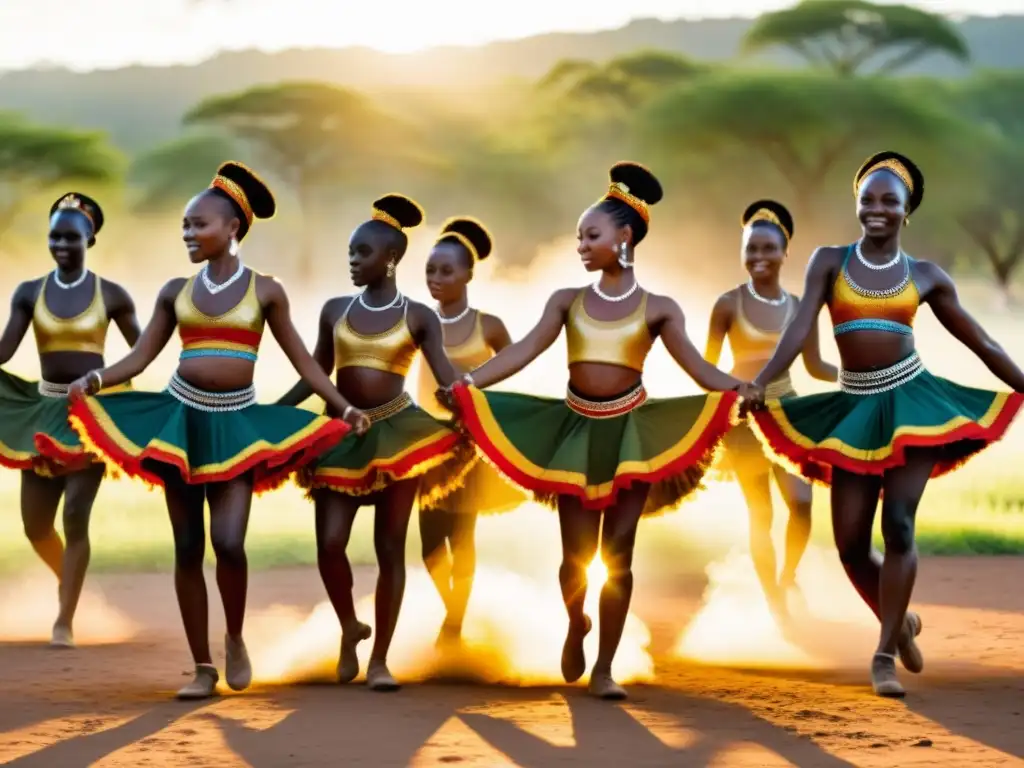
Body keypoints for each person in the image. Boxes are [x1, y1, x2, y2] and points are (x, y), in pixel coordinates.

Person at [443, 162, 758, 700]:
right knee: (574, 556)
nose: (582, 246)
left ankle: (605, 667)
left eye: (591, 236)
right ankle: (575, 624)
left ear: (624, 237)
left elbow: (698, 371)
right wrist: (469, 380)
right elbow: (522, 351)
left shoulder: (659, 309)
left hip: (632, 439)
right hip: (575, 434)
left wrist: (738, 389)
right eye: (578, 238)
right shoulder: (567, 301)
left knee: (619, 552)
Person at [66, 162, 370, 700]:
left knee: (228, 543)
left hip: (236, 426)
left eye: (198, 224)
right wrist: (95, 377)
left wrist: (342, 407)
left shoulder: (266, 291)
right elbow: (140, 356)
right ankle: (202, 667)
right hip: (180, 423)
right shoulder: (175, 291)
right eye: (184, 226)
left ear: (232, 228)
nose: (188, 234)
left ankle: (233, 637)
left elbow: (305, 362)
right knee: (188, 546)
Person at [746, 151, 1024, 697]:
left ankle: (883, 655)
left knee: (898, 524)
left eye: (888, 201)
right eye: (867, 199)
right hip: (853, 410)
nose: (876, 209)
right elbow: (798, 329)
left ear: (906, 210)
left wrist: (1023, 380)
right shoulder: (829, 261)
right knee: (850, 542)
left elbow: (981, 339)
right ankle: (903, 622)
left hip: (912, 406)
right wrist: (762, 381)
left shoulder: (926, 276)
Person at [278, 194, 471, 692]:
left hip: (398, 436)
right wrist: (273, 413)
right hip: (341, 435)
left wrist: (474, 410)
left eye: (361, 253)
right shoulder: (334, 309)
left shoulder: (420, 316)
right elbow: (316, 372)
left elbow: (446, 379)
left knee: (390, 548)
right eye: (349, 252)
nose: (351, 261)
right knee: (330, 544)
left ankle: (380, 660)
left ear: (389, 259)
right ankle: (349, 628)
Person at [0, 193, 140, 648]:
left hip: (89, 417)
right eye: (54, 235)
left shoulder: (112, 294)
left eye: (71, 236)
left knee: (76, 513)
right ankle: (71, 581)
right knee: (35, 526)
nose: (61, 243)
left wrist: (104, 382)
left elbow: (142, 352)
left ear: (90, 238)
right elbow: (4, 352)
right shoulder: (28, 292)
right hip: (42, 413)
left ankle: (64, 619)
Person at [704, 200, 837, 619]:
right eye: (750, 249)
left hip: (789, 417)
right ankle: (774, 603)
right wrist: (730, 396)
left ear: (784, 254)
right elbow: (707, 366)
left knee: (800, 503)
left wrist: (861, 373)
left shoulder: (800, 307)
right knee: (759, 512)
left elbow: (815, 366)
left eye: (766, 249)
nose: (758, 257)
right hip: (743, 421)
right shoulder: (727, 304)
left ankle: (788, 575)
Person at [417, 216, 526, 647]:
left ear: (467, 275)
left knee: (462, 535)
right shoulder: (418, 320)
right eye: (430, 270)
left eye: (446, 271)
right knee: (428, 546)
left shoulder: (488, 325)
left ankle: (454, 624)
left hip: (469, 444)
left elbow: (513, 360)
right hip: (425, 441)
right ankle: (452, 608)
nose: (436, 279)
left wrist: (476, 392)